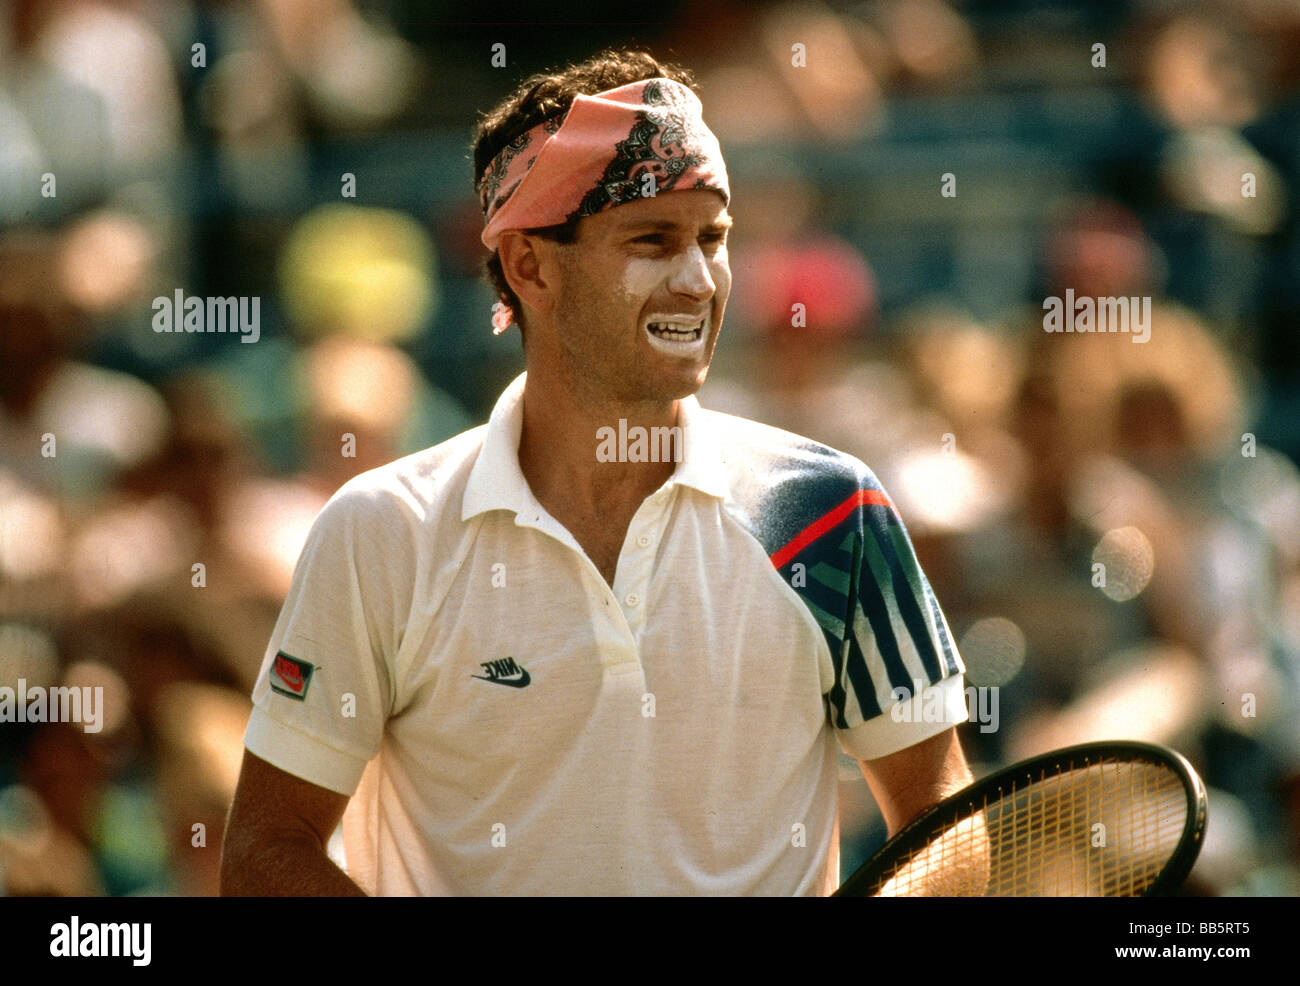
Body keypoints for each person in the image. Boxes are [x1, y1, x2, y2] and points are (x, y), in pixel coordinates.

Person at [220, 48, 974, 897]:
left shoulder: (835, 510)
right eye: (652, 239)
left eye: (713, 239)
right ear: (530, 266)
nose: (698, 280)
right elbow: (264, 856)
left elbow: (944, 818)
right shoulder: (381, 530)